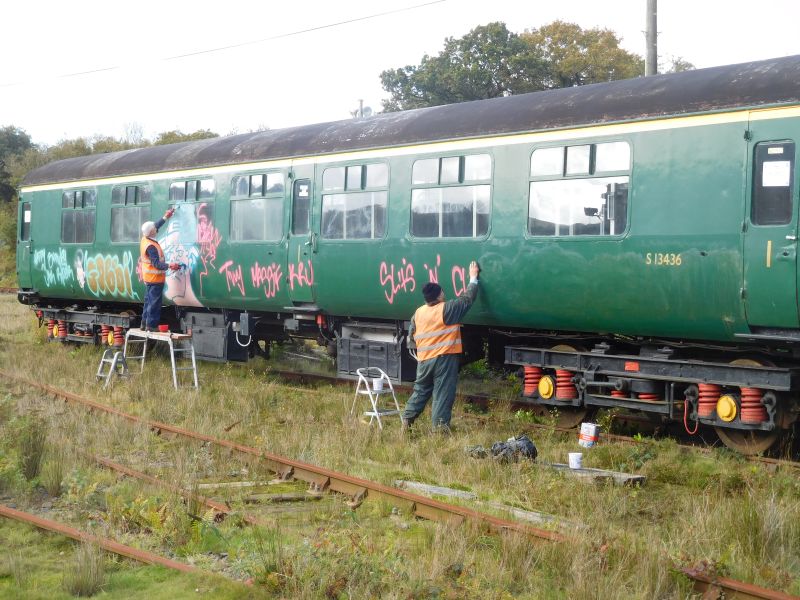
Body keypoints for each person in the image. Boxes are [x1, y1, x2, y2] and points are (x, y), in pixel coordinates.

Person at [402, 260, 481, 433]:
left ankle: (406, 421)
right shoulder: (446, 309)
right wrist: (473, 278)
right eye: (442, 292)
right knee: (443, 394)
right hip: (444, 359)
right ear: (438, 296)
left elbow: (411, 337)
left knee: (420, 391)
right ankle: (439, 432)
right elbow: (466, 299)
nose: (444, 294)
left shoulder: (418, 312)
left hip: (424, 360)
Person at [140, 209, 180, 331]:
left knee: (148, 302)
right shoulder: (151, 247)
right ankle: (151, 326)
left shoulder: (145, 239)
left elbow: (155, 226)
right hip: (155, 279)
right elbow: (157, 264)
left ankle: (143, 324)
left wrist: (165, 217)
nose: (156, 228)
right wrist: (170, 265)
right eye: (154, 228)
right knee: (154, 304)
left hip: (149, 278)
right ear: (152, 231)